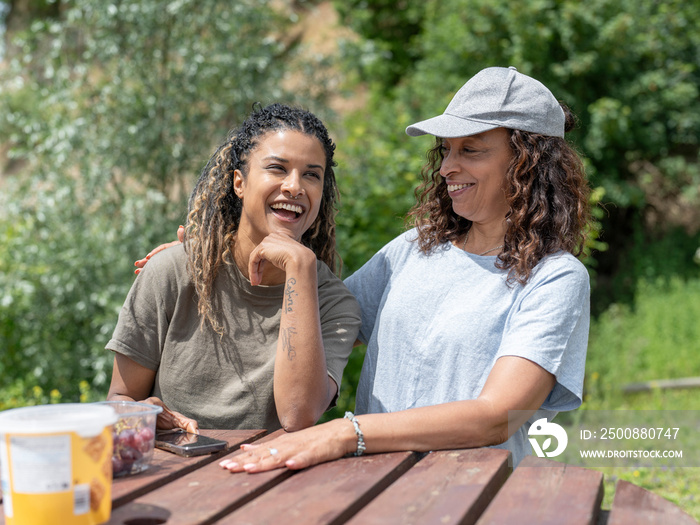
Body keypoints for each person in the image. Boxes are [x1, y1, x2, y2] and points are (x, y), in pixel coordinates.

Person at [141, 66, 591, 468]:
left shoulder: (555, 279)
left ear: (528, 163)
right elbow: (308, 315)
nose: (446, 168)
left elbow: (496, 417)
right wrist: (213, 262)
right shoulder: (414, 250)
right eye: (446, 150)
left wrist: (345, 433)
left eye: (470, 151)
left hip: (474, 500)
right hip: (375, 495)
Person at [106, 103, 362, 434]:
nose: (295, 187)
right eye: (277, 168)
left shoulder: (334, 305)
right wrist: (142, 412)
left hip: (272, 478)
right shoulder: (171, 273)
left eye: (311, 174)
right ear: (239, 183)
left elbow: (298, 415)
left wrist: (301, 268)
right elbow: (118, 400)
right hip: (171, 475)